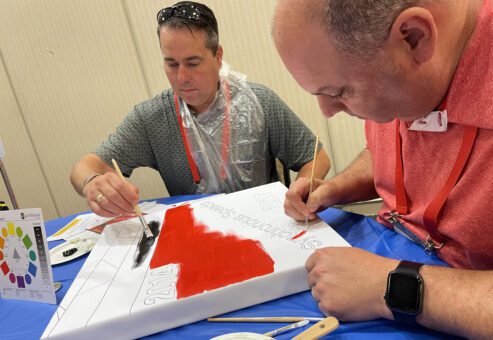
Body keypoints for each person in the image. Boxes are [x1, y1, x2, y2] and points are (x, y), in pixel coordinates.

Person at [273, 0, 492, 338]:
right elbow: (388, 150)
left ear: (414, 38)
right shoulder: (405, 77)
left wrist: (392, 285)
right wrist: (336, 186)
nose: (328, 112)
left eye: (340, 92)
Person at [70, 1, 329, 218]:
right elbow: (85, 166)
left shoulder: (258, 102)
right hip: (198, 235)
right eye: (171, 64)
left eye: (193, 63)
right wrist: (92, 184)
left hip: (266, 229)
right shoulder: (152, 119)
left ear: (217, 57)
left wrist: (303, 187)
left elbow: (315, 157)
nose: (182, 77)